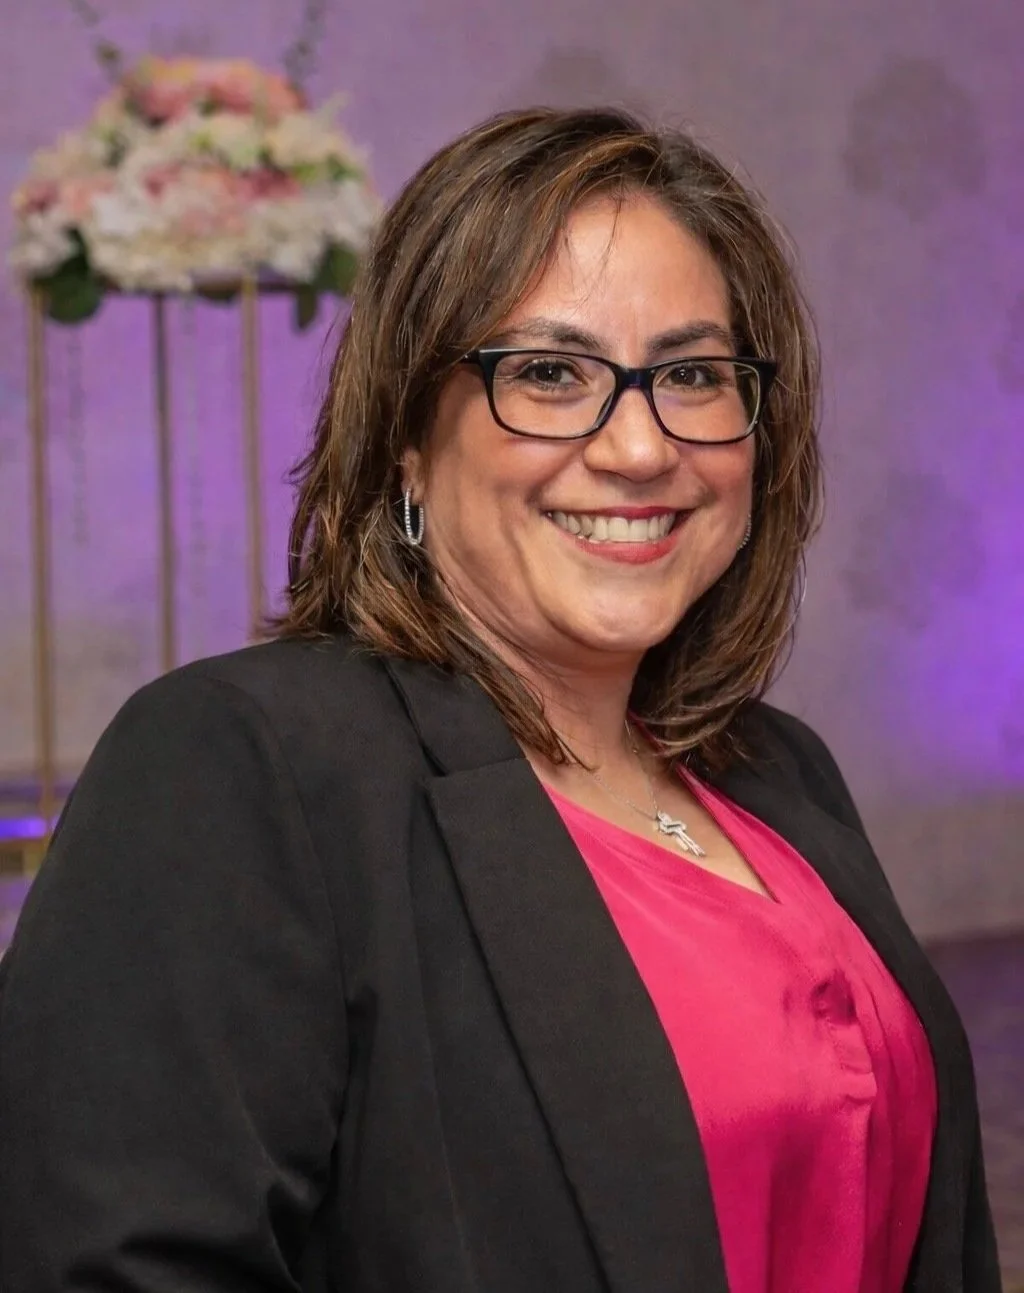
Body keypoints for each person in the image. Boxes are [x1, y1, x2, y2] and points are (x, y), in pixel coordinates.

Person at [0, 107, 1001, 1293]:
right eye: (547, 372)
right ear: (409, 446)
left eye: (689, 374)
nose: (637, 447)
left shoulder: (777, 770)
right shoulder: (240, 762)